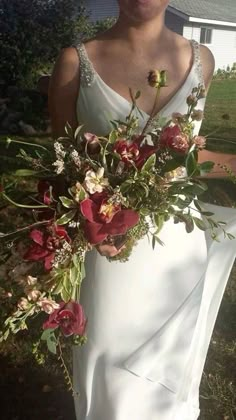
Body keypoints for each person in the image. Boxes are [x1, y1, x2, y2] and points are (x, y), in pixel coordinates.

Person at [49, 1, 236, 419]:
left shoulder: (200, 60)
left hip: (177, 245)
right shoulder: (76, 62)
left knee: (167, 374)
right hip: (110, 249)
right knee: (110, 370)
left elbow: (188, 155)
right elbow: (62, 165)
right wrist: (89, 224)